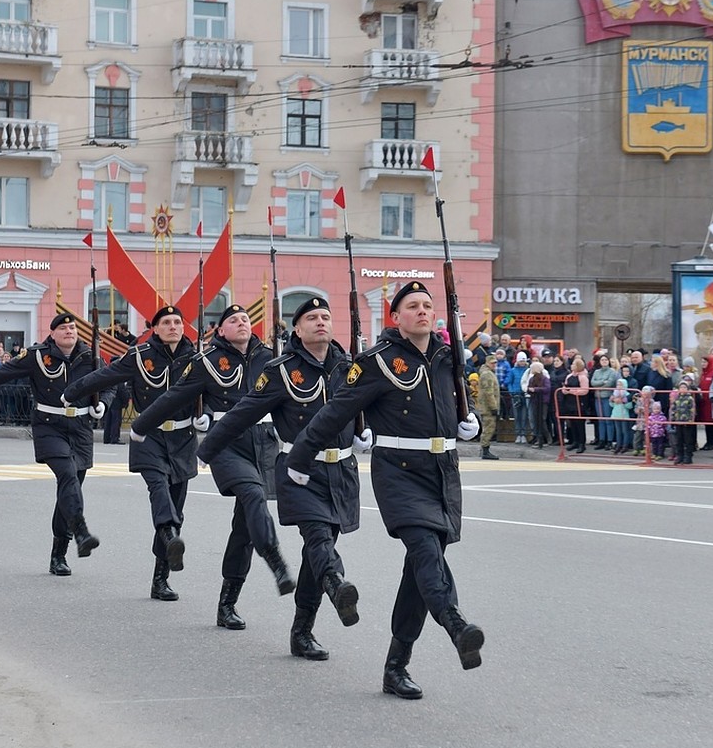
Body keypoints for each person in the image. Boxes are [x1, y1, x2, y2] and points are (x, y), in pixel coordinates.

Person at [284, 280, 483, 701]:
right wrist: (299, 459)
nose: (423, 312)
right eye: (413, 306)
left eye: (428, 305)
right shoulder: (377, 361)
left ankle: (396, 667)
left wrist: (470, 423)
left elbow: (453, 404)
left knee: (419, 571)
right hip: (400, 473)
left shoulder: (449, 357)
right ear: (396, 317)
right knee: (425, 551)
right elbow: (336, 410)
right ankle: (455, 623)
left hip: (444, 474)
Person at [203, 297, 366, 660]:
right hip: (299, 470)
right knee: (318, 538)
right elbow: (243, 411)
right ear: (297, 329)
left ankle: (301, 631)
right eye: (311, 318)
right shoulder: (281, 369)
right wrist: (207, 448)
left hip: (341, 471)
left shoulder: (350, 367)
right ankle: (337, 582)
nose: (320, 322)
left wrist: (366, 429)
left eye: (326, 316)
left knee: (314, 556)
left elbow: (375, 405)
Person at [131, 303, 294, 615]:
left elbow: (290, 404)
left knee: (245, 526)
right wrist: (140, 425)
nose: (242, 323)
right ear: (221, 330)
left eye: (246, 318)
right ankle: (275, 558)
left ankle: (227, 603)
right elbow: (174, 396)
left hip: (265, 445)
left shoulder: (271, 359)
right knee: (253, 494)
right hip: (227, 444)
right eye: (233, 320)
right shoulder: (207, 361)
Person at [0, 314, 106, 575]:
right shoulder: (37, 355)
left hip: (80, 430)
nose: (69, 331)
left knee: (70, 489)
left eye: (72, 327)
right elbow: (1, 374)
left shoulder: (90, 356)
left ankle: (59, 554)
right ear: (53, 333)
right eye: (63, 328)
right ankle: (80, 531)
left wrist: (103, 404)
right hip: (50, 426)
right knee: (68, 476)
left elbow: (110, 383)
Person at [64, 305, 197, 600]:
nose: (173, 326)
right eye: (167, 322)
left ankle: (160, 578)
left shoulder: (196, 358)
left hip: (183, 439)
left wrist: (209, 414)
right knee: (159, 488)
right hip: (147, 435)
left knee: (176, 506)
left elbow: (216, 391)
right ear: (155, 328)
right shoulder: (140, 356)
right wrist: (72, 392)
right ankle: (168, 534)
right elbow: (105, 376)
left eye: (178, 321)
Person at [561, 357, 590, 453]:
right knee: (572, 423)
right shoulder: (569, 376)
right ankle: (575, 441)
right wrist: (565, 391)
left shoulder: (583, 377)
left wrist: (572, 391)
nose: (572, 365)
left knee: (580, 424)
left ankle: (582, 443)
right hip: (570, 402)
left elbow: (585, 390)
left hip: (580, 403)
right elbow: (565, 386)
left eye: (574, 364)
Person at [477, 353, 501, 460]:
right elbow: (489, 393)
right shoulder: (487, 375)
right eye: (492, 363)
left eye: (495, 363)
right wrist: (494, 407)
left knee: (488, 428)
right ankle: (485, 450)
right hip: (488, 407)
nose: (494, 365)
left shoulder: (487, 373)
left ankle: (485, 449)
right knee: (488, 428)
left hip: (486, 406)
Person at [525, 358, 552, 449]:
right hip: (534, 401)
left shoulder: (544, 378)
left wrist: (535, 390)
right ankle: (539, 439)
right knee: (536, 420)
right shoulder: (532, 378)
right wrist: (530, 390)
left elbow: (547, 389)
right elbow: (528, 388)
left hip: (543, 402)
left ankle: (547, 438)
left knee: (542, 420)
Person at [669, 380, 695, 464]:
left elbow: (692, 410)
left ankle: (688, 456)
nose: (682, 389)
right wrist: (672, 420)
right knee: (679, 440)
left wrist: (691, 420)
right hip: (678, 421)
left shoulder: (690, 398)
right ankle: (680, 455)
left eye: (684, 387)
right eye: (681, 387)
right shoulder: (677, 398)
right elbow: (673, 409)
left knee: (688, 440)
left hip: (686, 422)